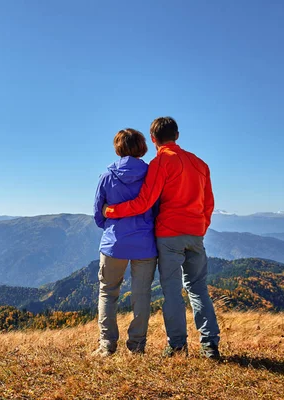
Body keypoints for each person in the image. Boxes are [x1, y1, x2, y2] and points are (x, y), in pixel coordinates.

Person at [104, 117, 220, 359]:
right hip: (196, 234)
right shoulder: (200, 164)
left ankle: (177, 346)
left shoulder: (161, 162)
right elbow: (208, 204)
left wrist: (112, 211)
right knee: (199, 289)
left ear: (154, 139)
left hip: (169, 234)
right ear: (177, 135)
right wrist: (201, 227)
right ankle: (210, 345)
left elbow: (144, 202)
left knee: (172, 292)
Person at [92, 128, 158, 357]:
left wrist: (112, 228)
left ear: (118, 147)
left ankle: (106, 346)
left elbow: (98, 213)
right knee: (142, 296)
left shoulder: (107, 176)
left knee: (108, 293)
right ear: (142, 146)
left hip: (114, 244)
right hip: (145, 244)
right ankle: (137, 346)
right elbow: (158, 208)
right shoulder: (152, 175)